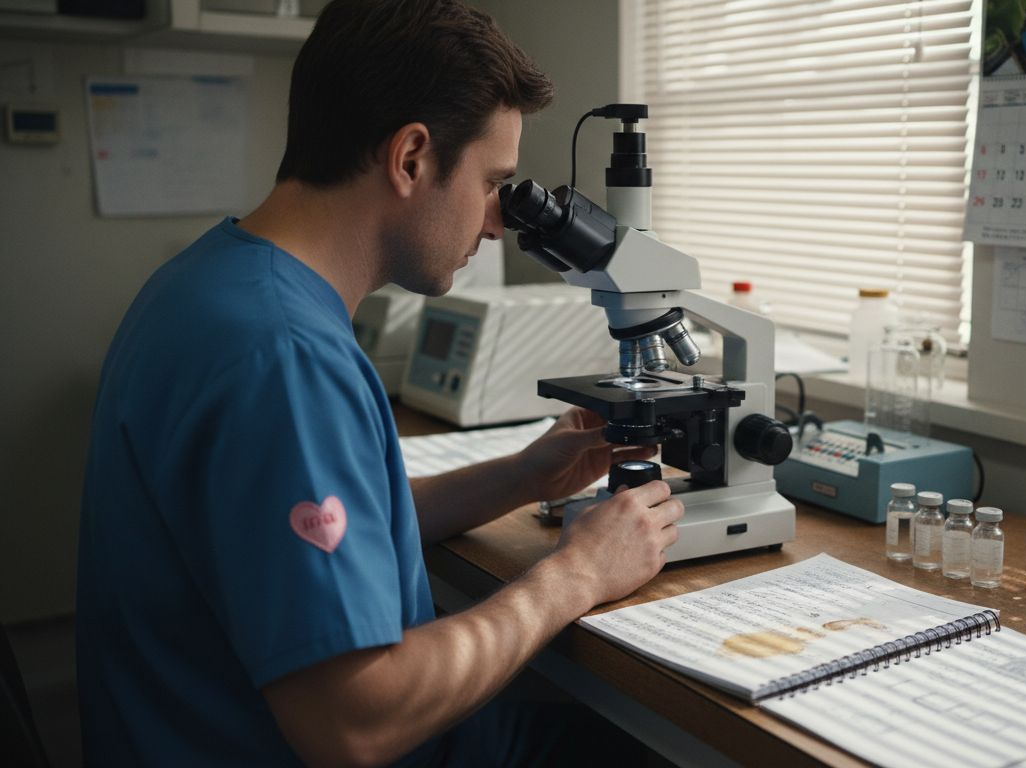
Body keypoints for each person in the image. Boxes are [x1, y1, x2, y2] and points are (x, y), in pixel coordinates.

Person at [75, 1, 684, 765]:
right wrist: (576, 576)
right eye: (492, 182)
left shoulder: (209, 285)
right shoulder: (288, 360)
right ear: (410, 159)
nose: (497, 222)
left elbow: (315, 535)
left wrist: (525, 475)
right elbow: (352, 724)